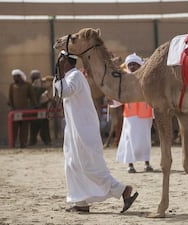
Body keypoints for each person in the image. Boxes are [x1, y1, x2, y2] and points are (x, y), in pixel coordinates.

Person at [54, 50, 138, 213]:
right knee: (72, 165)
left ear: (66, 61)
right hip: (73, 130)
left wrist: (57, 77)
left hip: (83, 130)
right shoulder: (69, 77)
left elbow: (65, 91)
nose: (58, 62)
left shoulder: (76, 76)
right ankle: (81, 202)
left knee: (89, 167)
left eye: (60, 60)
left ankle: (123, 190)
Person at [116, 53, 154, 173]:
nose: (132, 67)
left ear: (140, 65)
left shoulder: (146, 78)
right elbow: (119, 96)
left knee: (145, 139)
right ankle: (130, 164)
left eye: (135, 64)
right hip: (130, 114)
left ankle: (147, 163)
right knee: (130, 139)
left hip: (145, 112)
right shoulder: (124, 80)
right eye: (130, 64)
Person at [8, 69, 37, 148]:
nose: (14, 78)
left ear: (19, 76)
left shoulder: (27, 85)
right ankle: (13, 144)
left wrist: (35, 106)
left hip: (25, 110)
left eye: (16, 77)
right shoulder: (12, 86)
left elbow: (32, 96)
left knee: (24, 128)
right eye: (13, 77)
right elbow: (10, 98)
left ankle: (23, 144)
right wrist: (11, 107)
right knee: (14, 128)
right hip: (15, 111)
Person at [29, 70, 51, 146]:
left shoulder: (43, 87)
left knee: (44, 127)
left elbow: (48, 97)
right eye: (33, 77)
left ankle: (47, 141)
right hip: (33, 111)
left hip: (43, 110)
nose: (34, 79)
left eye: (36, 77)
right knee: (33, 128)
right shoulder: (30, 88)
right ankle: (32, 141)